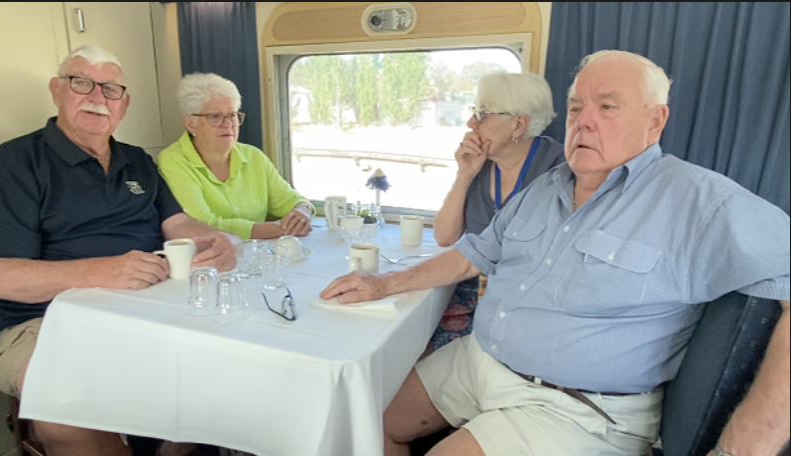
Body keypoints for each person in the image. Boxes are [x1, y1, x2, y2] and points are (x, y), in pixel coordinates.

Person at [320, 50, 790, 456]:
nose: (584, 120)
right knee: (368, 422)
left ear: (655, 120)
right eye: (576, 106)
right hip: (480, 359)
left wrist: (749, 441)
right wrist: (382, 283)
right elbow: (471, 253)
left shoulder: (701, 202)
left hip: (577, 406)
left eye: (608, 107)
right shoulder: (547, 186)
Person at [0, 45, 238, 456]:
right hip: (37, 322)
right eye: (82, 82)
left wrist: (218, 240)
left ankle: (172, 447)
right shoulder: (14, 163)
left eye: (111, 89)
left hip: (148, 306)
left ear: (125, 104)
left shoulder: (137, 161)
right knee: (63, 402)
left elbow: (178, 225)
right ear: (57, 90)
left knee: (231, 354)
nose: (98, 97)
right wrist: (97, 272)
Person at [429, 72, 564, 353]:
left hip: (526, 301)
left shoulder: (559, 170)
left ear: (519, 124)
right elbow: (444, 236)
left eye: (482, 114)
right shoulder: (481, 165)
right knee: (416, 347)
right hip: (475, 289)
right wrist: (464, 174)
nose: (470, 123)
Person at [157, 72, 314, 241]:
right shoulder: (172, 160)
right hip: (208, 260)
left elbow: (291, 200)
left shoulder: (253, 156)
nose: (228, 124)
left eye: (232, 114)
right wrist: (280, 229)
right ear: (190, 124)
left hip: (258, 255)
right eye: (215, 116)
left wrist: (302, 211)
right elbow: (202, 224)